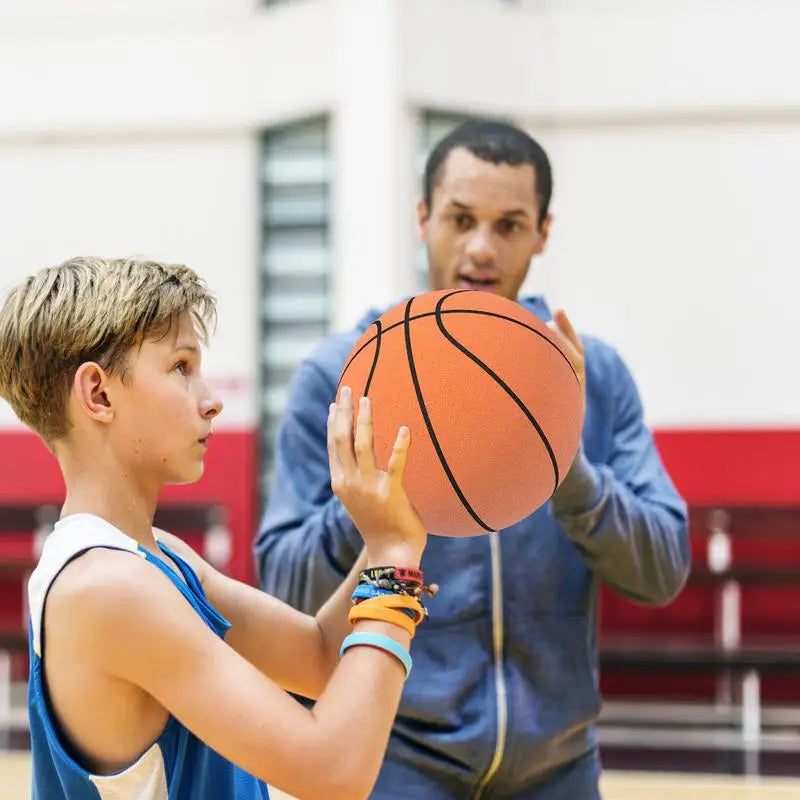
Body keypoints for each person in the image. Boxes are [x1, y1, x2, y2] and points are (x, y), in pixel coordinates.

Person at [255, 120, 691, 798]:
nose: (482, 248)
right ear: (423, 219)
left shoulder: (593, 378)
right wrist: (372, 506)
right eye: (460, 219)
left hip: (559, 769)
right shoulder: (339, 374)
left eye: (510, 225)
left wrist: (566, 469)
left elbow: (663, 571)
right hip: (393, 765)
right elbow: (283, 590)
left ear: (544, 232)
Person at [0, 256, 433, 800]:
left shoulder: (158, 557)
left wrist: (387, 538)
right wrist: (393, 559)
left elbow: (320, 657)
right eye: (182, 367)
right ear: (99, 395)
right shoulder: (107, 588)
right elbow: (334, 772)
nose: (211, 400)